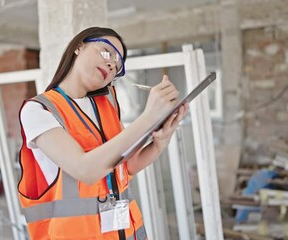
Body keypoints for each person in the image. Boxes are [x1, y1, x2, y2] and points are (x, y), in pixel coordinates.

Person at [18, 26, 188, 240]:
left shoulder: (106, 104)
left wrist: (160, 142)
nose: (111, 64)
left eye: (118, 66)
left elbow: (127, 165)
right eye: (107, 52)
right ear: (79, 47)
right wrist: (148, 117)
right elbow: (84, 169)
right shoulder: (39, 110)